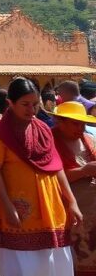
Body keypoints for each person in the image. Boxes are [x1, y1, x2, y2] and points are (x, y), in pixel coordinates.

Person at [0, 77, 82, 275]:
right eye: (25, 104)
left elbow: (57, 168)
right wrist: (7, 205)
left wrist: (71, 201)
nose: (31, 110)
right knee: (25, 265)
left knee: (55, 263)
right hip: (21, 212)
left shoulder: (43, 130)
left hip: (51, 208)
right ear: (10, 103)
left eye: (35, 104)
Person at [51, 101, 96, 276]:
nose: (81, 128)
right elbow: (51, 177)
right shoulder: (50, 142)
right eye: (75, 123)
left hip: (92, 213)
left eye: (83, 124)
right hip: (69, 213)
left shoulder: (89, 140)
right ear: (59, 121)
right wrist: (84, 171)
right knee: (73, 261)